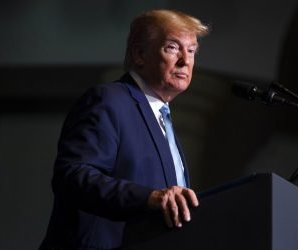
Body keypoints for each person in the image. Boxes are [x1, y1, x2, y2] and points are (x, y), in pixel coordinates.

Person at [39, 9, 209, 250]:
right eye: (172, 48)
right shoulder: (109, 100)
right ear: (139, 54)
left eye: (191, 51)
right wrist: (149, 198)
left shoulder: (163, 119)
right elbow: (73, 176)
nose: (185, 60)